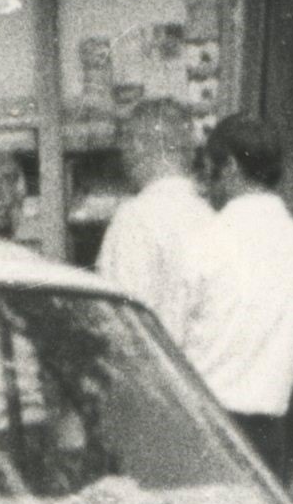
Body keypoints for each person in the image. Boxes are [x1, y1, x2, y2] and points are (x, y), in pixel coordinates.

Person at [188, 116, 293, 504]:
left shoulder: (200, 244)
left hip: (195, 433)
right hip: (267, 441)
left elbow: (165, 343)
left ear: (226, 167)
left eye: (209, 170)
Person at [93, 99, 216, 340]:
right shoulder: (211, 216)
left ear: (137, 145)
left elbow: (123, 323)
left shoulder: (135, 217)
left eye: (124, 144)